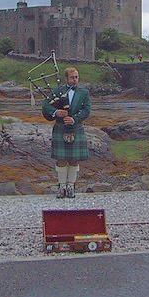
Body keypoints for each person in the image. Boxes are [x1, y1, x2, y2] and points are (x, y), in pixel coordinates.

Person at [41, 67, 92, 199]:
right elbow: (45, 105)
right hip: (60, 127)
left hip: (76, 128)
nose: (75, 80)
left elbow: (87, 110)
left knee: (74, 159)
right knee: (61, 159)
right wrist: (56, 112)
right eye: (72, 77)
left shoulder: (84, 92)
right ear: (66, 78)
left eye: (76, 77)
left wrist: (74, 119)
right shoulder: (57, 91)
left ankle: (71, 187)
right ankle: (62, 187)